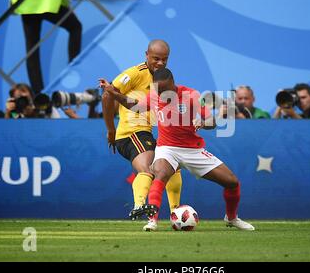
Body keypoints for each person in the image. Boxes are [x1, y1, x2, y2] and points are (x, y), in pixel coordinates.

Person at [100, 68, 255, 232]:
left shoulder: (191, 95)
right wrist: (112, 91)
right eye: (157, 90)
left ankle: (231, 218)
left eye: (163, 90)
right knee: (160, 174)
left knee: (232, 182)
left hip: (192, 150)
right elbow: (134, 105)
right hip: (167, 148)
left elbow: (211, 121)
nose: (160, 94)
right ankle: (152, 221)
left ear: (173, 84)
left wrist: (202, 123)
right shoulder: (155, 95)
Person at [101, 40, 183, 220]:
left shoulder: (163, 78)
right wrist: (110, 130)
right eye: (156, 58)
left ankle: (175, 212)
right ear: (146, 55)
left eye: (164, 59)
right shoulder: (134, 74)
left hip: (147, 133)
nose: (160, 63)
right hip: (131, 134)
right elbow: (107, 94)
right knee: (147, 168)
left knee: (171, 167)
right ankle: (139, 206)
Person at [11, 0, 82, 95]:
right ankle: (74, 67)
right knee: (75, 27)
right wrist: (66, 2)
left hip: (28, 2)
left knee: (32, 48)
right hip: (50, 1)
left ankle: (39, 94)